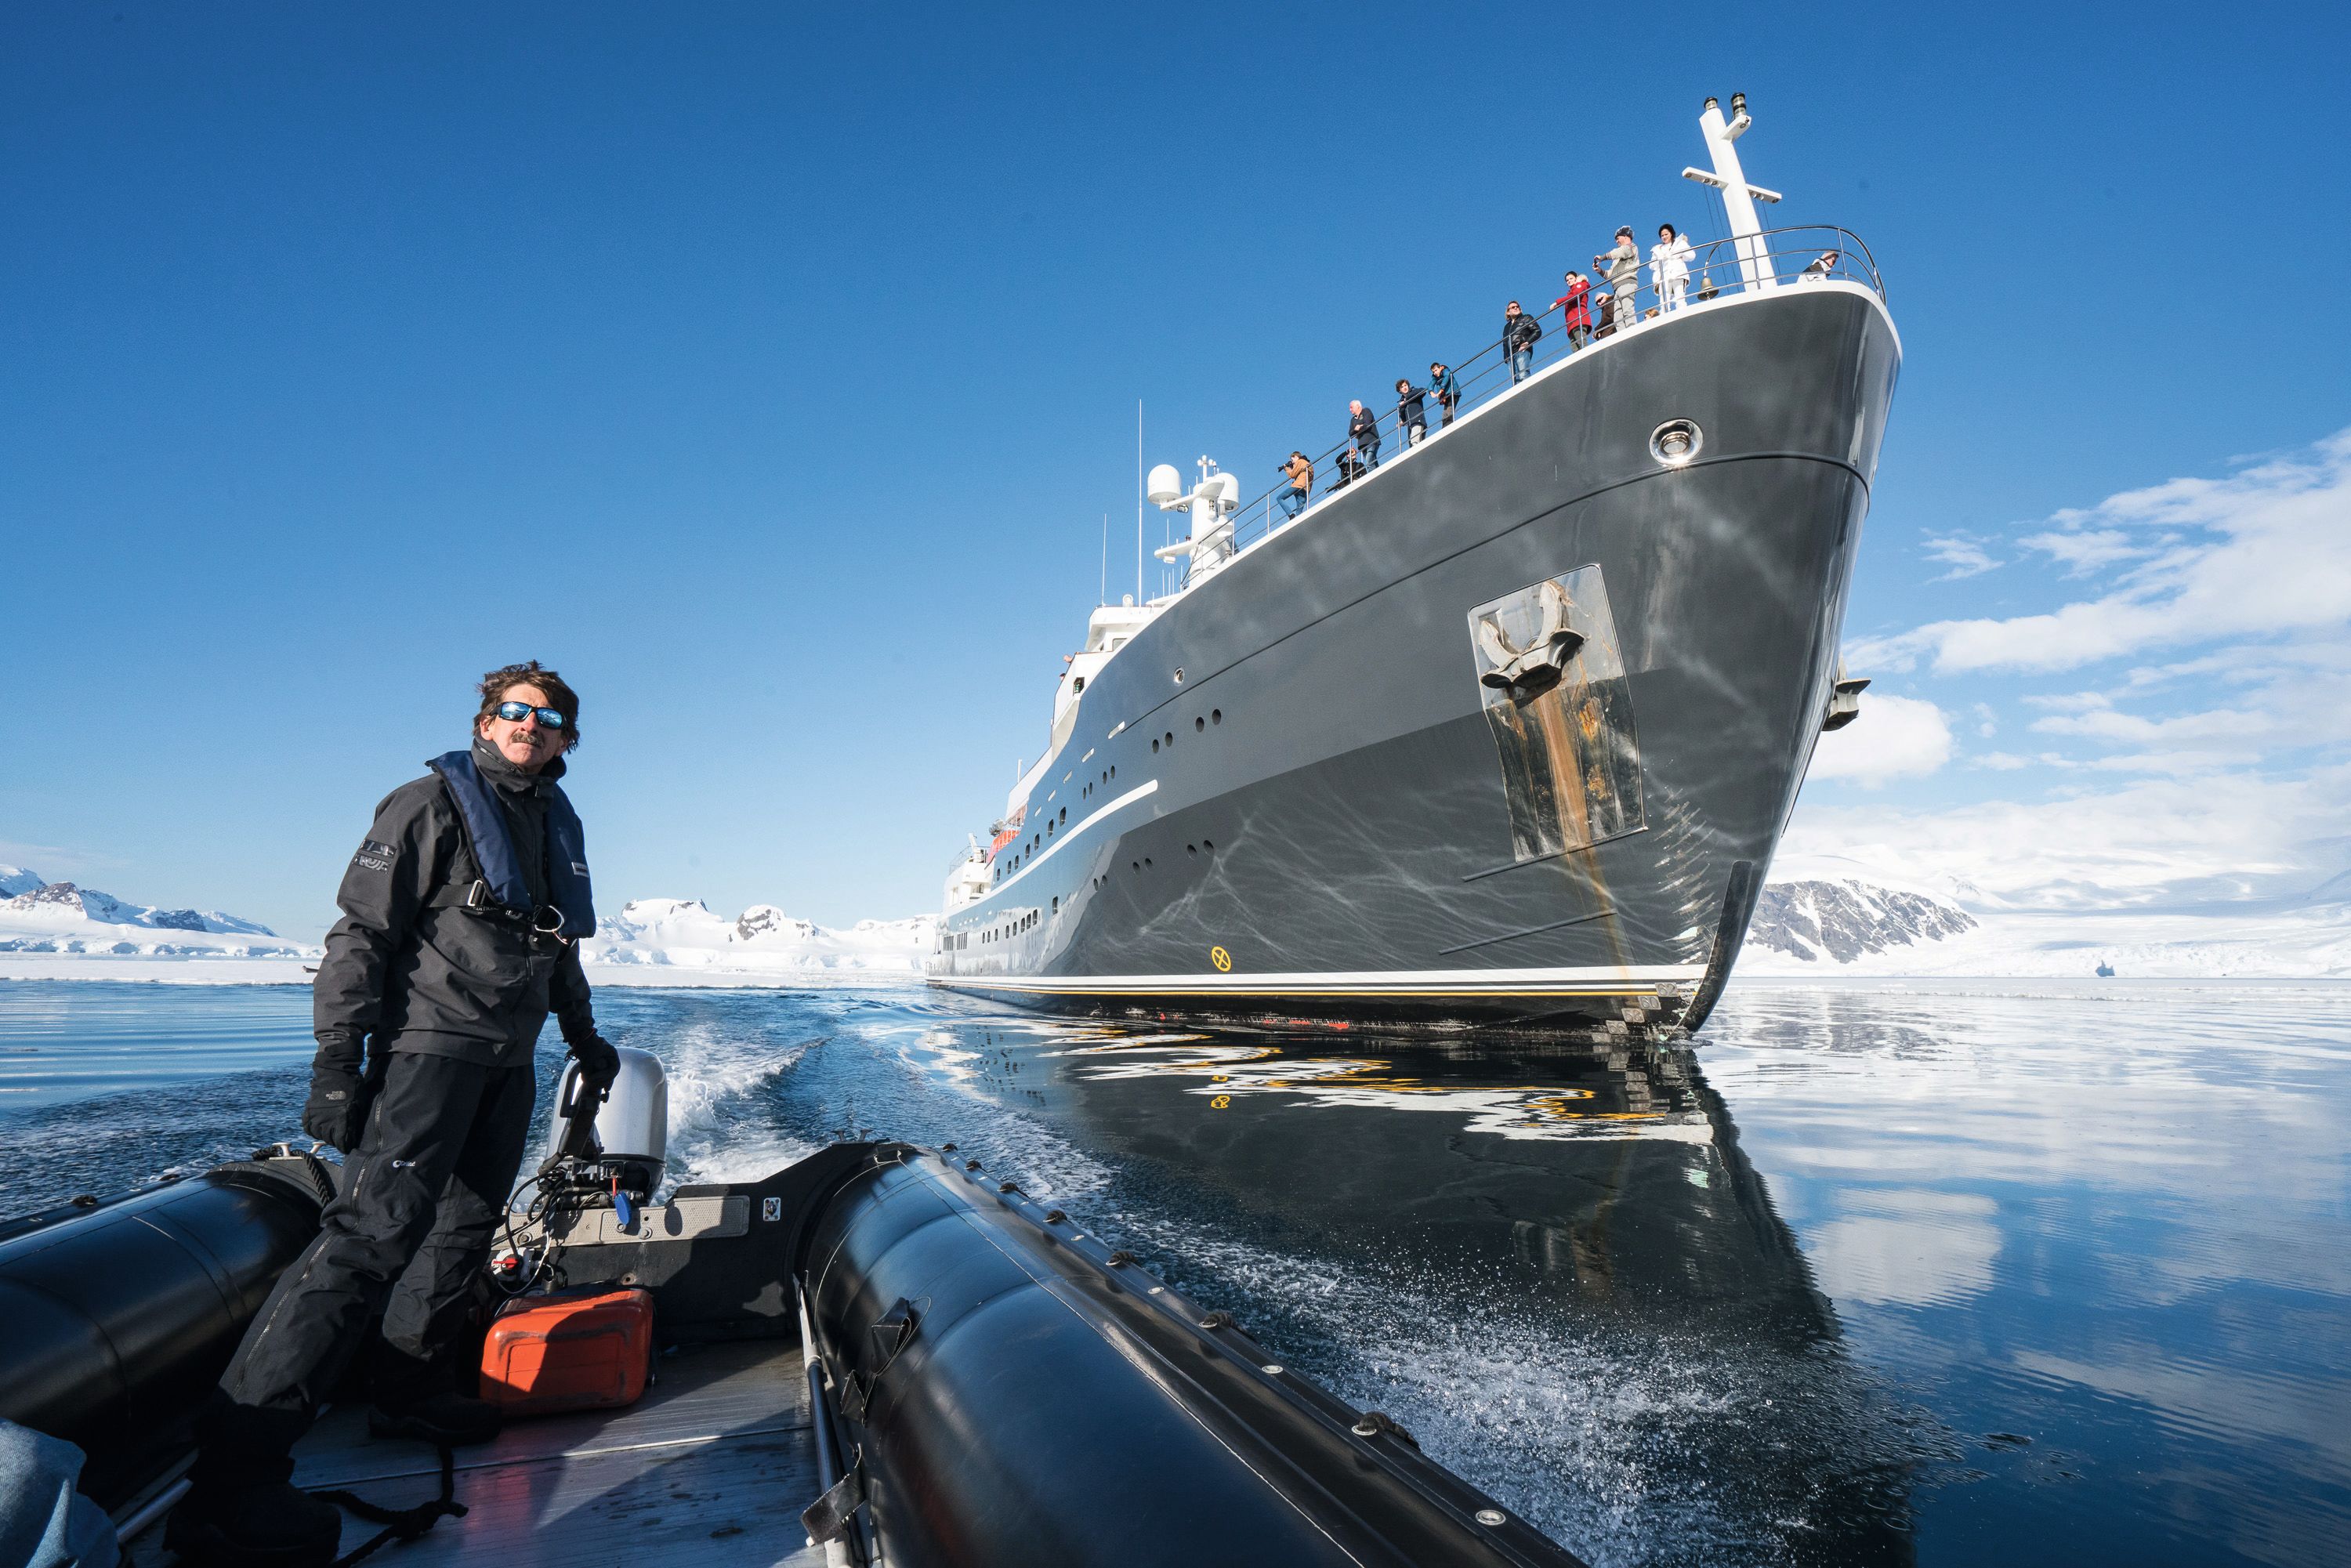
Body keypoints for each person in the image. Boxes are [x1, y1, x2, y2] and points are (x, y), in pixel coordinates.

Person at [168, 663, 621, 1567]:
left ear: (569, 739)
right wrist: (338, 1063)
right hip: (429, 1055)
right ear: (485, 721)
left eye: (550, 717)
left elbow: (554, 946)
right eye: (514, 711)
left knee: (464, 1226)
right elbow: (359, 938)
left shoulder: (547, 821)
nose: (531, 725)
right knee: (367, 1241)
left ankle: (408, 1384)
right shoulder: (427, 803)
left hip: (509, 1060)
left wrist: (585, 1036)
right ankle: (233, 1478)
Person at [1593, 226, 1641, 324]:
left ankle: (1633, 333)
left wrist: (1602, 257)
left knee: (1628, 311)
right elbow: (1609, 275)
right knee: (1618, 319)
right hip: (1617, 288)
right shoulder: (1618, 257)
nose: (1616, 241)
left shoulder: (1631, 247)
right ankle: (1625, 336)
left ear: (1625, 236)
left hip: (1627, 283)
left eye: (1618, 238)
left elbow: (1620, 251)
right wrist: (1600, 271)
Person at [1651, 223, 1694, 313]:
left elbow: (1691, 255)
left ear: (1671, 234)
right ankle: (1664, 316)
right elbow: (1652, 265)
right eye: (1662, 235)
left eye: (1666, 234)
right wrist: (1661, 259)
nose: (1664, 237)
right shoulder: (1657, 249)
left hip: (1678, 273)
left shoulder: (1679, 244)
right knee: (1664, 301)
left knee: (1680, 298)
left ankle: (1682, 313)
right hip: (1664, 275)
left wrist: (1679, 255)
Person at [1553, 270, 1593, 350]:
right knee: (1575, 349)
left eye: (1571, 278)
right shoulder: (1571, 291)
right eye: (1567, 280)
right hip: (1571, 323)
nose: (1569, 281)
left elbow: (1575, 295)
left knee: (1582, 344)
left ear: (1576, 278)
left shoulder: (1581, 285)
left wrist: (1557, 302)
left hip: (1578, 319)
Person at [1503, 300, 1541, 383]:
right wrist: (1506, 358)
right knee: (1515, 381)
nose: (1516, 308)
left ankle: (1529, 395)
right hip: (1511, 356)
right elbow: (1505, 343)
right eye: (1513, 307)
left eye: (1517, 307)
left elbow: (1537, 331)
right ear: (1508, 312)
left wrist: (1527, 342)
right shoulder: (1507, 327)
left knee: (1524, 375)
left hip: (1522, 351)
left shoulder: (1526, 318)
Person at [1347, 398, 1381, 471]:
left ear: (1358, 406)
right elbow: (1350, 433)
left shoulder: (1366, 411)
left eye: (1351, 407)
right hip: (1362, 444)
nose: (1350, 410)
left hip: (1372, 440)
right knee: (1372, 461)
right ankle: (1380, 474)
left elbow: (1367, 424)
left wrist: (1358, 429)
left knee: (1369, 461)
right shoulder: (1353, 420)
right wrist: (1356, 429)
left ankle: (1373, 477)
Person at [1278, 451, 1313, 518]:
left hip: (1299, 486)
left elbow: (1292, 475)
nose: (1292, 461)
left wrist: (1286, 468)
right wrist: (1293, 467)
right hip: (1306, 489)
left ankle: (1291, 514)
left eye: (1292, 459)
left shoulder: (1300, 462)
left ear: (1296, 457)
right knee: (1299, 512)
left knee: (1280, 498)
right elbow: (1299, 474)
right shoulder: (1307, 463)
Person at [1394, 378, 1429, 445]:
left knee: (1414, 441)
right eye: (1402, 387)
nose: (1404, 388)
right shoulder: (1402, 402)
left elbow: (1423, 391)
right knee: (1414, 444)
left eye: (1405, 385)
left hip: (1417, 421)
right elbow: (1403, 416)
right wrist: (1402, 421)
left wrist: (1406, 399)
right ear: (1399, 391)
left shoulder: (1413, 392)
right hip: (1410, 426)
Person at [1429, 361, 1460, 425]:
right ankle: (1445, 427)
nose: (1435, 373)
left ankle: (1449, 426)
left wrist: (1442, 389)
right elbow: (1431, 384)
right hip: (1446, 396)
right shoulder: (1435, 377)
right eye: (1433, 372)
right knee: (1444, 414)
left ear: (1440, 368)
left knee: (1449, 410)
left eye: (1436, 370)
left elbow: (1447, 375)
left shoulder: (1445, 370)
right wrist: (1431, 392)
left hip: (1453, 393)